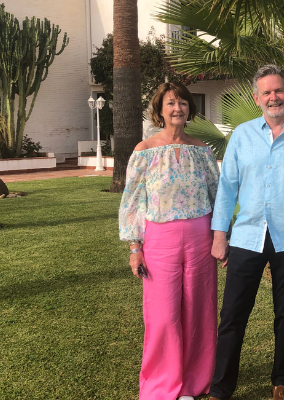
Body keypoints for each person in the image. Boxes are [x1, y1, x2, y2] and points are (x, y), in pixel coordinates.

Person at [208, 64, 284, 400]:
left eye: (278, 90)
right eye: (267, 92)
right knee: (232, 314)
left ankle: (281, 381)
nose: (273, 97)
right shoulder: (242, 135)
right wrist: (219, 235)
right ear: (257, 98)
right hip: (246, 237)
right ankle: (221, 388)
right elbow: (227, 187)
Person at [118, 82, 220, 400]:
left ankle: (193, 383)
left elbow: (218, 197)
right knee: (163, 314)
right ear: (159, 110)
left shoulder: (202, 150)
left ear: (190, 109)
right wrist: (135, 247)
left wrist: (222, 237)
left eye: (183, 103)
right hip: (160, 241)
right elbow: (132, 201)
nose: (178, 108)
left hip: (201, 239)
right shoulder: (144, 150)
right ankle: (163, 385)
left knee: (199, 310)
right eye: (171, 103)